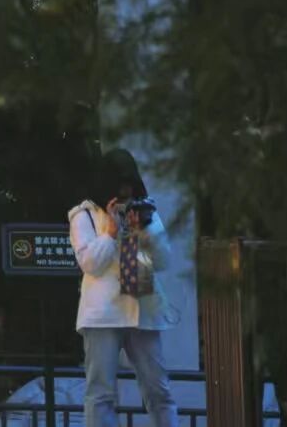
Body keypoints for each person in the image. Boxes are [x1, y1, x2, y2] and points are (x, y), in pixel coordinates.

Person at [70, 150, 178, 427]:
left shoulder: (145, 211)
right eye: (119, 190)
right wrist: (109, 233)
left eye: (129, 189)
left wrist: (145, 230)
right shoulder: (84, 215)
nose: (124, 196)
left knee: (158, 389)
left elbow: (164, 261)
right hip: (102, 314)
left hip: (141, 308)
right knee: (101, 393)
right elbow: (89, 264)